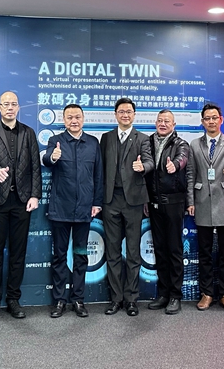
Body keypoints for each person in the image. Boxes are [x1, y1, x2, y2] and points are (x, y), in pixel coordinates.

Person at [0, 91, 42, 320]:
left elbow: (35, 166)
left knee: (18, 252)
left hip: (22, 201)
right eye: (6, 104)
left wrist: (35, 195)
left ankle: (13, 299)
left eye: (13, 104)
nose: (10, 108)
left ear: (18, 107)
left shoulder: (28, 132)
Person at [42, 104, 103, 318]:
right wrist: (53, 156)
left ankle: (78, 299)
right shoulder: (55, 141)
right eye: (69, 117)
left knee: (80, 256)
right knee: (59, 256)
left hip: (84, 209)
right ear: (64, 120)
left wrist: (97, 203)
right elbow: (46, 160)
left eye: (77, 117)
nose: (74, 121)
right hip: (60, 209)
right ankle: (59, 300)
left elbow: (98, 176)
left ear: (83, 119)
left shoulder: (93, 143)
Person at [100, 97, 154, 316]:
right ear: (115, 115)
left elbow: (150, 162)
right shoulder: (106, 138)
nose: (125, 115)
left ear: (134, 114)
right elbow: (100, 168)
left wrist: (143, 167)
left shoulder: (142, 139)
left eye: (129, 111)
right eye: (121, 111)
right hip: (110, 200)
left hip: (133, 201)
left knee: (133, 252)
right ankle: (116, 299)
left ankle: (131, 299)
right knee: (112, 251)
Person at [186, 103, 224, 313]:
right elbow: (190, 174)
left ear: (221, 120)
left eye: (214, 118)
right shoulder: (194, 145)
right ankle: (207, 293)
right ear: (202, 122)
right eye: (207, 118)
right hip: (202, 202)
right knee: (205, 252)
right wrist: (190, 201)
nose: (211, 121)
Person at [144, 109, 190, 315]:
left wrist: (175, 166)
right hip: (154, 204)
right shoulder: (148, 142)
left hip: (173, 204)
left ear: (174, 125)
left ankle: (175, 296)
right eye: (160, 120)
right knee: (160, 250)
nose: (163, 124)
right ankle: (163, 294)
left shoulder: (181, 144)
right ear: (156, 123)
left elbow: (182, 159)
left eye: (167, 121)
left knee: (174, 250)